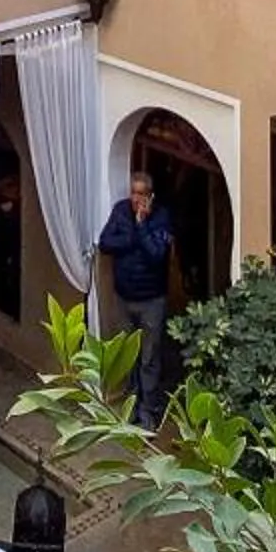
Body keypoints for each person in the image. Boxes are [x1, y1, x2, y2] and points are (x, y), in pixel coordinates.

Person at [98, 170, 176, 429]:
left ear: (150, 196)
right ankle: (130, 405)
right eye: (133, 193)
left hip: (151, 300)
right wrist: (134, 237)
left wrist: (141, 226)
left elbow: (157, 254)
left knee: (149, 358)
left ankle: (148, 411)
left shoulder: (162, 218)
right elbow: (105, 242)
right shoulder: (120, 211)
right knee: (128, 355)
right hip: (124, 298)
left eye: (141, 194)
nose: (136, 199)